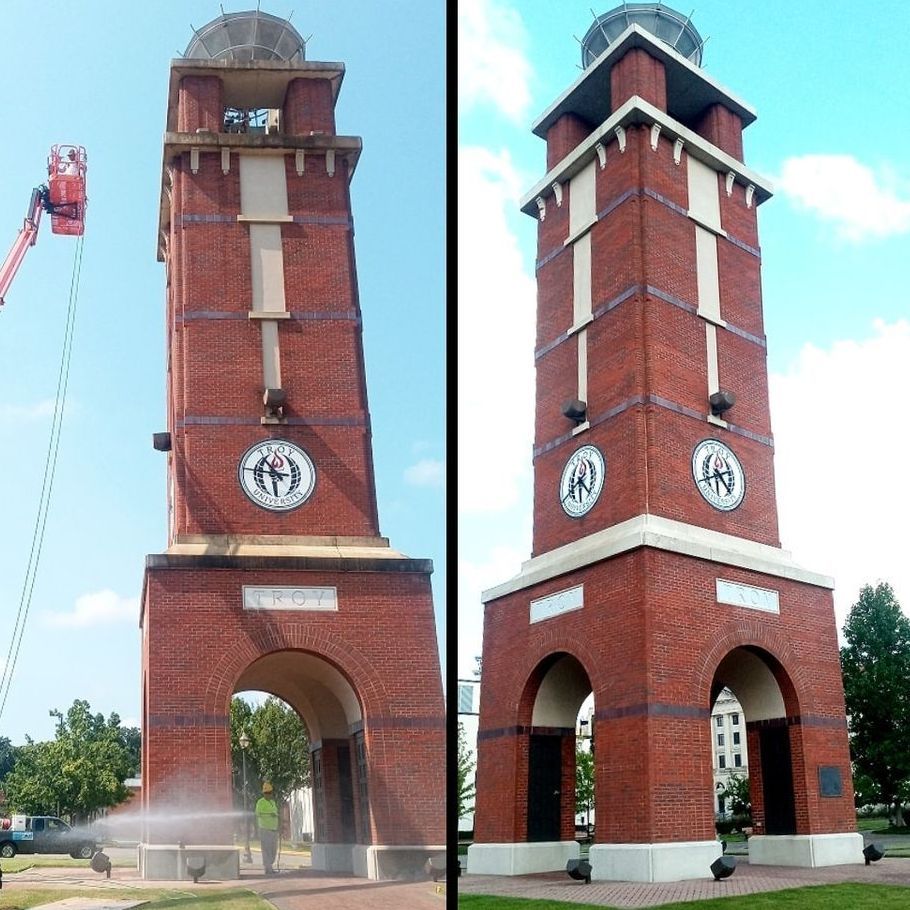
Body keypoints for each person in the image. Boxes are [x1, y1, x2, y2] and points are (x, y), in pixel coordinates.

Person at [255, 781, 279, 875]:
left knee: (273, 850)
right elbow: (258, 813)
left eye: (269, 793)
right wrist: (270, 814)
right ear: (263, 793)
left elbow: (276, 814)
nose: (268, 794)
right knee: (266, 849)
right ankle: (268, 868)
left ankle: (270, 866)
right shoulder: (260, 802)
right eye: (266, 793)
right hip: (265, 829)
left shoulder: (273, 802)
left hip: (274, 829)